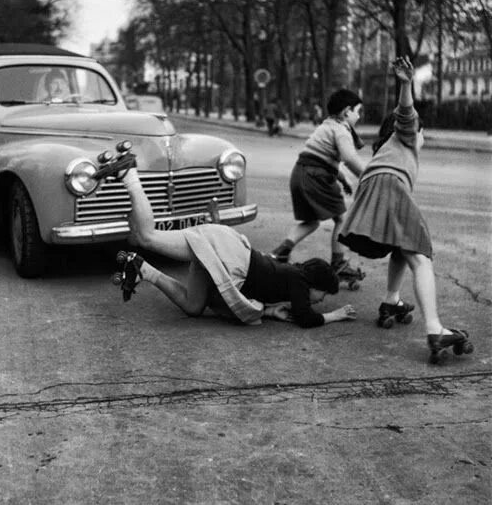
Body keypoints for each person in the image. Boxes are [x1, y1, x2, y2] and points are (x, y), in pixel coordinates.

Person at [94, 151, 357, 328]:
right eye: (323, 294)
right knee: (148, 237)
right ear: (315, 283)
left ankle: (143, 269)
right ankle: (129, 175)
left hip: (226, 257)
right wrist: (336, 315)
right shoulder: (299, 282)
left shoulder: (292, 278)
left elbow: (281, 303)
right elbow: (305, 318)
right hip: (226, 254)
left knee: (192, 306)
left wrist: (270, 310)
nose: (320, 301)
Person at [339, 56, 473, 363]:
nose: (422, 137)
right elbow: (406, 114)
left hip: (372, 189)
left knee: (403, 248)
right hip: (389, 187)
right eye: (421, 132)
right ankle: (435, 329)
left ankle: (391, 301)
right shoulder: (406, 134)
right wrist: (405, 83)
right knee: (421, 256)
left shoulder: (387, 149)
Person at [272, 89, 366, 280]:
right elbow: (349, 158)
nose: (359, 116)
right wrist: (368, 176)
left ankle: (281, 251)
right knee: (343, 219)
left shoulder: (326, 126)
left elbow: (320, 156)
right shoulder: (341, 130)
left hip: (300, 173)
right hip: (317, 177)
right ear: (347, 112)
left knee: (311, 221)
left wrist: (342, 178)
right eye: (358, 111)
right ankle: (339, 263)